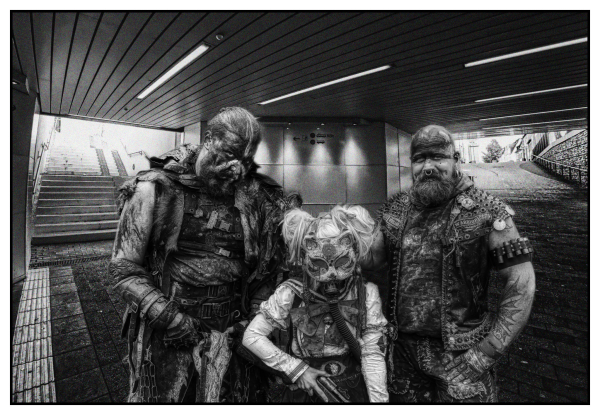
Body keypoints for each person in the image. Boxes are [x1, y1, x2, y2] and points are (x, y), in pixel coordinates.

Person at [108, 107, 298, 402]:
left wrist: (255, 320)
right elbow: (123, 268)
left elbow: (268, 270)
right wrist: (170, 318)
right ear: (208, 139)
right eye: (227, 155)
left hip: (234, 334)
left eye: (243, 160)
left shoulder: (256, 199)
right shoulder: (155, 189)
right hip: (170, 333)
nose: (234, 168)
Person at [363, 125, 535, 402]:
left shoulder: (487, 210)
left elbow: (521, 283)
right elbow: (368, 262)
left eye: (438, 157)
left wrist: (487, 352)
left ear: (455, 158)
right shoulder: (396, 209)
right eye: (420, 159)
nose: (428, 167)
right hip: (402, 356)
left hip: (462, 356)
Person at [242, 205, 389, 403]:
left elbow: (372, 353)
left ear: (353, 252)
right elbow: (252, 336)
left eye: (341, 262)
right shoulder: (290, 292)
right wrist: (296, 370)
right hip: (304, 391)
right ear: (305, 257)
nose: (331, 275)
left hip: (352, 387)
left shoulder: (365, 292)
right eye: (319, 264)